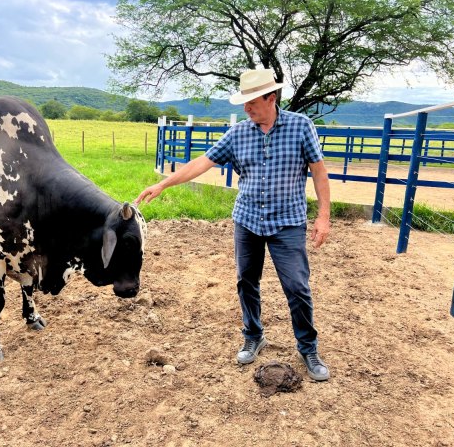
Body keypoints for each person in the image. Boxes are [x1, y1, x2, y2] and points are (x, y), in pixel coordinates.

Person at [136, 69, 331, 381]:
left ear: (271, 97)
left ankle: (307, 347)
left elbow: (319, 172)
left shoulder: (300, 126)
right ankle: (254, 335)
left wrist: (323, 216)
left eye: (252, 101)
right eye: (244, 103)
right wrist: (164, 184)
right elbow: (202, 162)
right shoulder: (238, 133)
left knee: (297, 286)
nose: (246, 108)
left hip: (288, 222)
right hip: (248, 219)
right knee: (246, 281)